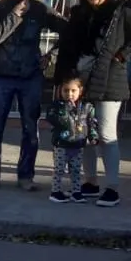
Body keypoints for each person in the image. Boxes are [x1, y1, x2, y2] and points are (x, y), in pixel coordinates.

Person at [0, 0, 69, 192]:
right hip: (1, 76)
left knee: (31, 129)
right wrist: (15, 14)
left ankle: (26, 177)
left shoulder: (40, 10)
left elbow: (68, 31)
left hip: (31, 77)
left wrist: (51, 55)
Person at [53, 0, 131, 207]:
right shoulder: (79, 14)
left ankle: (112, 188)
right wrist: (61, 80)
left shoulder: (121, 11)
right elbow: (67, 48)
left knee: (107, 135)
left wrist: (122, 55)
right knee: (83, 133)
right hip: (80, 81)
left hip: (109, 79)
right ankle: (90, 182)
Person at [44, 75, 97, 203]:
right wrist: (64, 111)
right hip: (61, 143)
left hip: (78, 144)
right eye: (66, 90)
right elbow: (50, 117)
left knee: (76, 170)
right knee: (59, 169)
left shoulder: (86, 107)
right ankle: (55, 192)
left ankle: (76, 192)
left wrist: (93, 136)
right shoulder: (57, 106)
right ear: (60, 91)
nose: (69, 94)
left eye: (73, 91)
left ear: (80, 91)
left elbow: (91, 122)